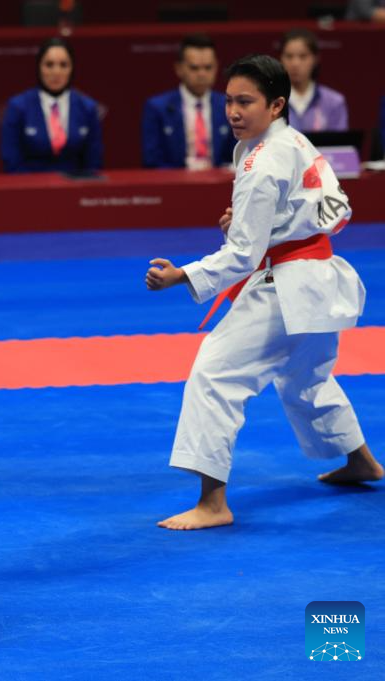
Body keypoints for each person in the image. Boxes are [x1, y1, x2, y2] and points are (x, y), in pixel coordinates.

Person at [145, 55, 382, 531]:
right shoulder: (295, 142)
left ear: (276, 105)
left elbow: (241, 255)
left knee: (214, 375)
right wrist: (264, 226)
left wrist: (183, 275)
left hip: (287, 286)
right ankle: (361, 461)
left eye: (246, 102)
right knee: (305, 377)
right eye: (229, 101)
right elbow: (336, 208)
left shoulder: (260, 161)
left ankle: (213, 503)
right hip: (321, 281)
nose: (233, 112)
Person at [0, 37, 102, 174]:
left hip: (76, 185)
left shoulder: (87, 108)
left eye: (63, 65)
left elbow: (94, 163)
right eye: (49, 64)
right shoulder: (18, 107)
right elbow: (12, 162)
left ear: (72, 69)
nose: (56, 72)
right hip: (30, 184)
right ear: (39, 67)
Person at [141, 34, 234, 169]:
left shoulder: (229, 105)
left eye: (208, 67)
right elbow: (152, 162)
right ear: (179, 68)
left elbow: (238, 156)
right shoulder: (157, 107)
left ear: (216, 67)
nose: (202, 74)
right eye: (194, 68)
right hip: (175, 181)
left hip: (221, 180)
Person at [279, 28, 349, 133]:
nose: (295, 63)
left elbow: (340, 142)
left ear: (315, 59)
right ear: (281, 59)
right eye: (289, 56)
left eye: (303, 56)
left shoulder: (334, 102)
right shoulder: (271, 101)